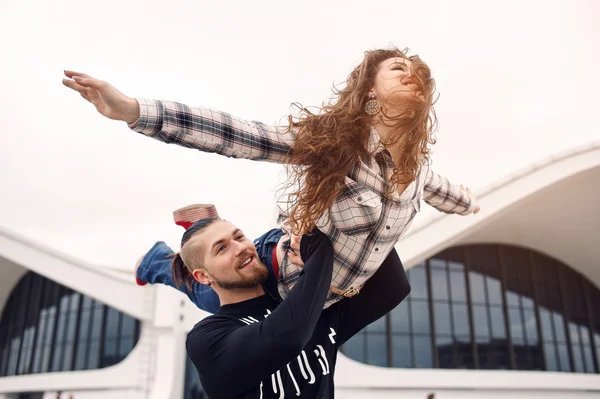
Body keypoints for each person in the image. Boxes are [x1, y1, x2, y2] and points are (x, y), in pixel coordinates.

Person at [62, 47, 480, 309]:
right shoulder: (336, 144)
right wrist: (136, 111)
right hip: (268, 279)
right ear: (369, 91)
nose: (411, 72)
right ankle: (158, 260)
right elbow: (241, 135)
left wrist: (469, 204)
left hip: (327, 302)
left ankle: (207, 222)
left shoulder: (418, 168)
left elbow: (442, 191)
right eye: (396, 67)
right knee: (203, 289)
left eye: (416, 71)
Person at [172, 215, 410, 398]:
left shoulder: (306, 305)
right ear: (203, 275)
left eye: (239, 236)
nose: (240, 247)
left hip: (279, 276)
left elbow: (393, 287)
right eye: (221, 248)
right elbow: (288, 336)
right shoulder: (206, 338)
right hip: (245, 274)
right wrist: (317, 247)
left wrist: (361, 224)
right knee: (190, 287)